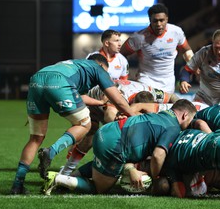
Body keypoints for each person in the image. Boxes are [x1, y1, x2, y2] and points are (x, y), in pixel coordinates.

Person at [10, 54, 138, 194]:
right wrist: (134, 118)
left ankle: (17, 185)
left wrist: (100, 102)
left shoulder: (74, 65)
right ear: (102, 66)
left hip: (37, 79)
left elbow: (79, 96)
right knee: (84, 124)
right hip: (59, 82)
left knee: (36, 138)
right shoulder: (98, 69)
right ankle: (51, 151)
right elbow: (118, 100)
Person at [42, 99, 197, 195]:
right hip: (114, 145)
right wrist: (155, 177)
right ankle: (59, 179)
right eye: (189, 121)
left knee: (102, 166)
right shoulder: (173, 127)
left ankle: (70, 175)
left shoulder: (161, 114)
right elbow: (158, 155)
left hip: (107, 130)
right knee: (99, 189)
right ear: (184, 116)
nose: (188, 125)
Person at [120, 3, 194, 94]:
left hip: (169, 83)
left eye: (161, 20)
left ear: (167, 19)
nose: (158, 24)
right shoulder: (138, 37)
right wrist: (124, 74)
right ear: (150, 20)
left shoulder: (176, 32)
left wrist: (194, 66)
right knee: (147, 106)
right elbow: (120, 55)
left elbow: (187, 51)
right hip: (146, 81)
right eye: (155, 21)